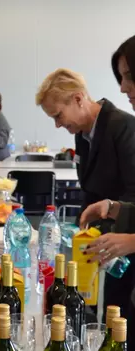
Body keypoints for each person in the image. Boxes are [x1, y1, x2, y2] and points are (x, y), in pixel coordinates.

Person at [35, 68, 135, 322]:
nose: (58, 124)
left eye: (58, 115)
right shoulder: (82, 132)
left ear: (78, 99)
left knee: (118, 317)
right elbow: (90, 189)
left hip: (124, 243)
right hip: (98, 244)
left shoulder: (123, 127)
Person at [79, 34, 135, 351]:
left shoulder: (124, 127)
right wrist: (113, 208)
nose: (122, 87)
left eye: (128, 76)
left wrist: (130, 241)